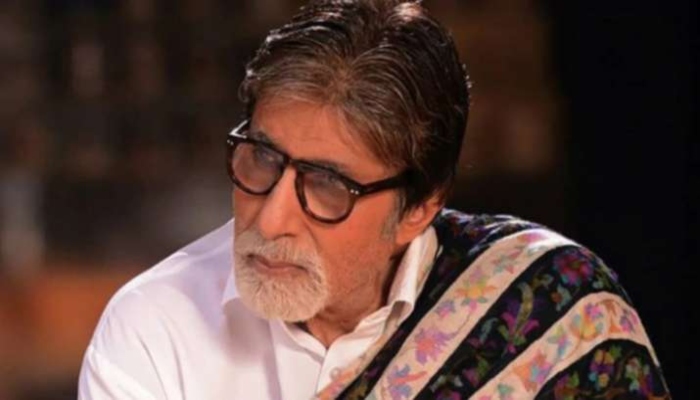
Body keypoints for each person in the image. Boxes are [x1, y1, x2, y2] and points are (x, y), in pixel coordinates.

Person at [78, 1, 671, 399]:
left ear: (418, 208)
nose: (272, 218)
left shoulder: (544, 306)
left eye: (327, 185)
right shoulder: (155, 328)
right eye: (262, 159)